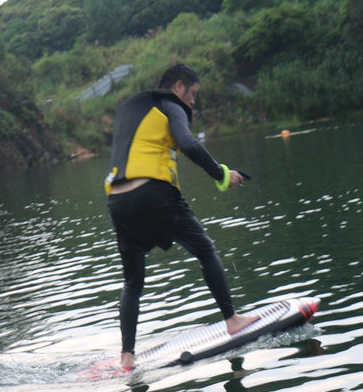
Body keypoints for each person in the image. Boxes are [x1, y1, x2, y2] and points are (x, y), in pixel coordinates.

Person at [105, 64, 255, 371]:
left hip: (117, 199)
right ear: (179, 86)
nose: (194, 102)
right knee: (205, 250)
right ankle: (232, 319)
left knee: (133, 282)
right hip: (153, 193)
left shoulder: (130, 111)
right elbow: (188, 143)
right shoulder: (170, 104)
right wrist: (222, 175)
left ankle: (126, 359)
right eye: (194, 94)